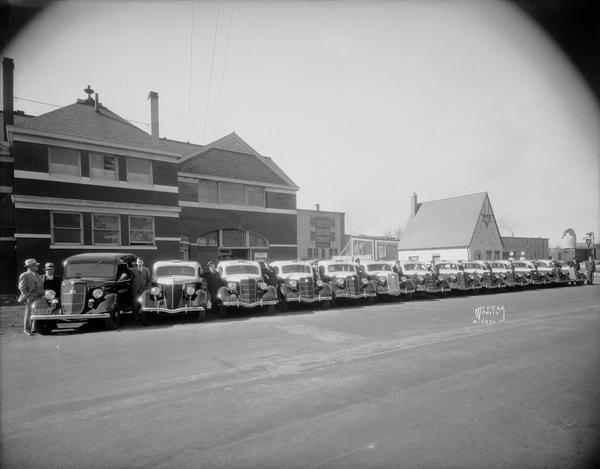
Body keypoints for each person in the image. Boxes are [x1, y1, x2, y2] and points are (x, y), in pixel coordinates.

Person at [18, 258, 44, 335]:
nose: (37, 266)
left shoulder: (37, 274)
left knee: (36, 313)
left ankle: (34, 329)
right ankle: (26, 330)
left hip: (39, 297)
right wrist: (28, 297)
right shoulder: (25, 275)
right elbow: (22, 287)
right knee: (28, 313)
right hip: (31, 297)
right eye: (35, 265)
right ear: (30, 266)